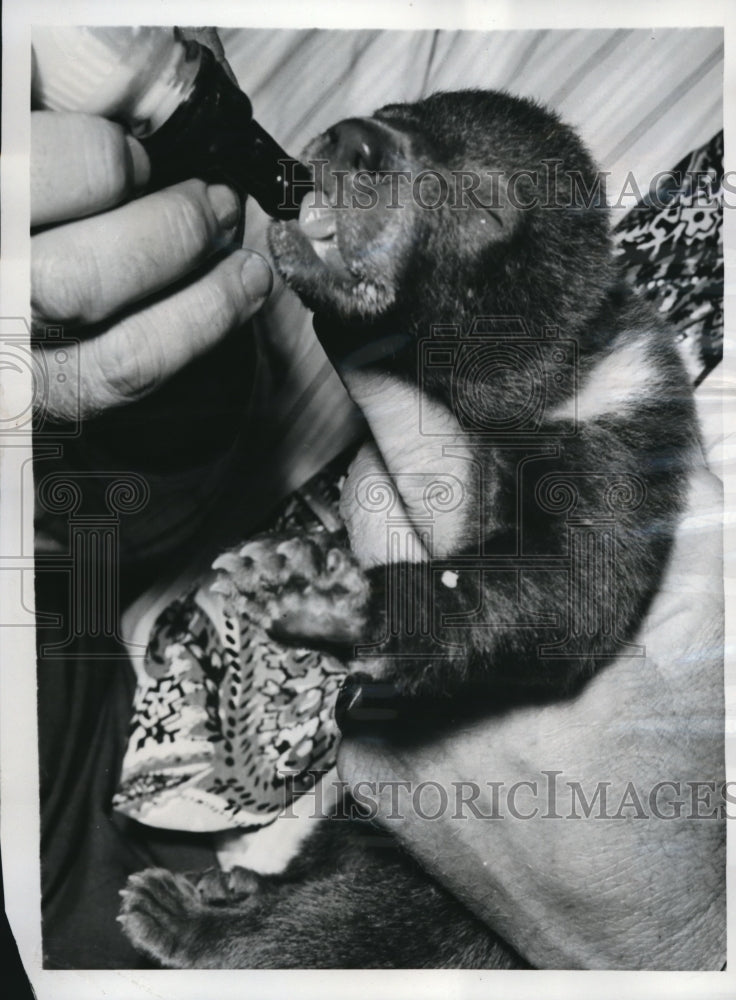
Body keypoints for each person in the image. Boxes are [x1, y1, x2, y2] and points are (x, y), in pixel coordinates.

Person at [30, 37, 725, 972]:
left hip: (470, 891)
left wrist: (676, 944)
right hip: (108, 725)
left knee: (425, 923)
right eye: (396, 131)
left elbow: (576, 596)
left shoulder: (617, 385)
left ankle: (246, 938)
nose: (367, 152)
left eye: (474, 203)